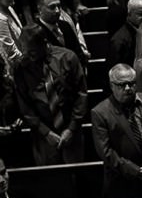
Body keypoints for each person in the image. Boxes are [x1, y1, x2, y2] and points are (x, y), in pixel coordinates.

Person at [92, 64, 142, 198]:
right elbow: (106, 152)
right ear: (112, 86)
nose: (127, 88)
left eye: (131, 83)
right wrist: (134, 170)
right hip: (122, 183)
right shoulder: (100, 112)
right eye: (122, 85)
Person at [12, 23, 88, 166]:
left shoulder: (68, 58)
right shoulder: (21, 67)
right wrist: (45, 132)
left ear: (45, 44)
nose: (28, 56)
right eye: (25, 51)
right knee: (51, 179)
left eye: (32, 52)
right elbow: (24, 103)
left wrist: (71, 128)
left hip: (71, 129)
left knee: (76, 175)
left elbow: (81, 95)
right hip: (43, 134)